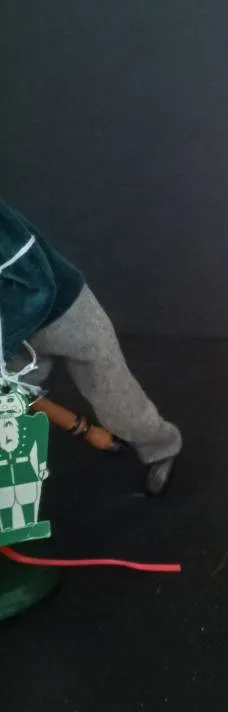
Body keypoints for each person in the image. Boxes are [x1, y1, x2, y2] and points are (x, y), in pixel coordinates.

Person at [0, 198, 181, 495]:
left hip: (67, 316)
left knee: (119, 405)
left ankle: (163, 448)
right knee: (8, 404)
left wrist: (3, 345)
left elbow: (37, 288)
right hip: (13, 333)